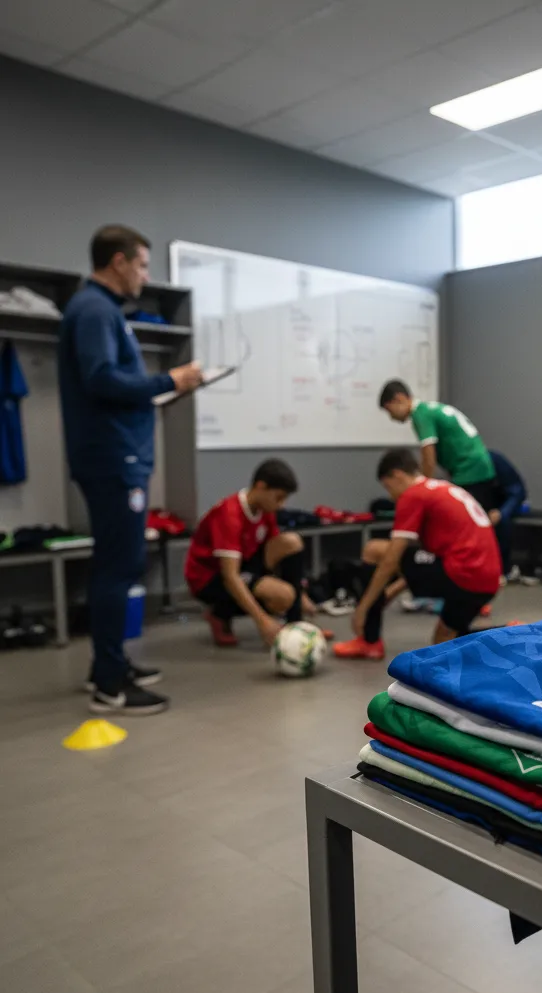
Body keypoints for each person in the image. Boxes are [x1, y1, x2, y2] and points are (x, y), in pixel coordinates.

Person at [58, 225, 203, 715]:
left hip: (115, 456)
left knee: (115, 564)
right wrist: (169, 379)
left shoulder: (100, 310)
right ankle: (109, 684)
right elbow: (102, 380)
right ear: (117, 262)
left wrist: (163, 388)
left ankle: (110, 663)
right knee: (118, 567)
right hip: (112, 460)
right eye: (141, 264)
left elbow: (114, 384)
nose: (145, 274)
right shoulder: (95, 310)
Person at [333, 448, 500, 660]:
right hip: (486, 579)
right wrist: (391, 591)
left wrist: (363, 608)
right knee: (442, 643)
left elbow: (392, 558)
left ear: (397, 475)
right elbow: (426, 558)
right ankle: (509, 632)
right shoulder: (440, 487)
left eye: (388, 487)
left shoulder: (413, 494)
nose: (391, 496)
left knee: (374, 549)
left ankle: (369, 640)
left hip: (463, 574)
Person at [185, 459, 322, 648]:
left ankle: (295, 625)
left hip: (244, 565)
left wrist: (301, 595)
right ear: (260, 486)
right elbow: (230, 576)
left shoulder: (265, 509)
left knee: (291, 542)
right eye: (278, 498)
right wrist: (263, 621)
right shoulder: (229, 514)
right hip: (210, 577)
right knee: (282, 596)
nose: (281, 505)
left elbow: (275, 551)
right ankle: (219, 613)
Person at [378, 380, 497, 511]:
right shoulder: (430, 408)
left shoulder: (420, 415)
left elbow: (429, 458)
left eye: (389, 410)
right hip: (480, 466)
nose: (391, 417)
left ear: (399, 399)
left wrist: (421, 492)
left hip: (469, 471)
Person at [487, 449, 527, 577]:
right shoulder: (462, 468)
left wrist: (502, 512)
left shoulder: (494, 460)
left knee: (502, 521)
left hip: (504, 505)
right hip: (485, 507)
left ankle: (503, 569)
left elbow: (517, 492)